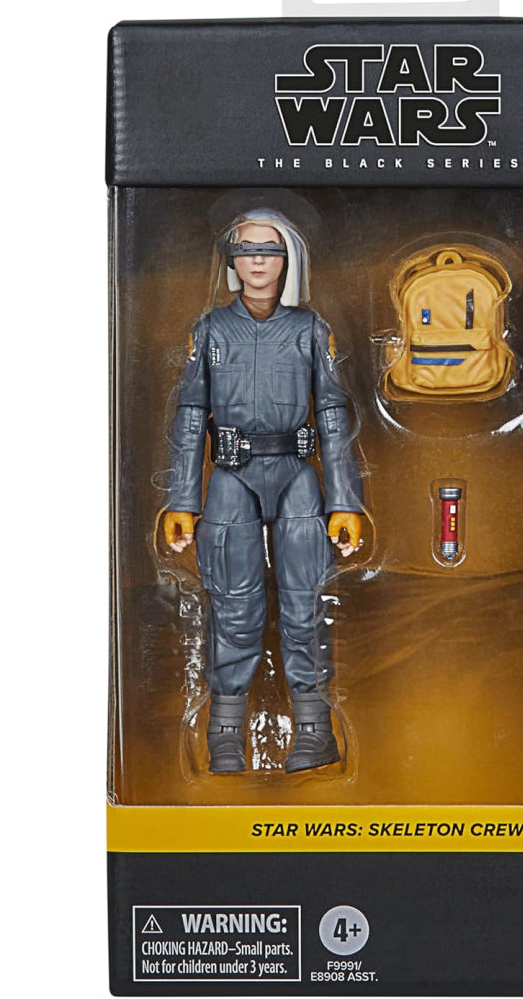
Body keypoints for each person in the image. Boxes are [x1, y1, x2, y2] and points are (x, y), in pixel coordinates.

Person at [162, 210, 364, 773]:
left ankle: (315, 732)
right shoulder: (210, 330)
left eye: (269, 249)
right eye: (246, 248)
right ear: (231, 260)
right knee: (233, 607)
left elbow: (332, 414)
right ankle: (226, 735)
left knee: (305, 606)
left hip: (298, 476)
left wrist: (344, 501)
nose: (257, 259)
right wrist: (182, 500)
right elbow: (190, 416)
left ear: (287, 260)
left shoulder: (310, 330)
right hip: (231, 478)